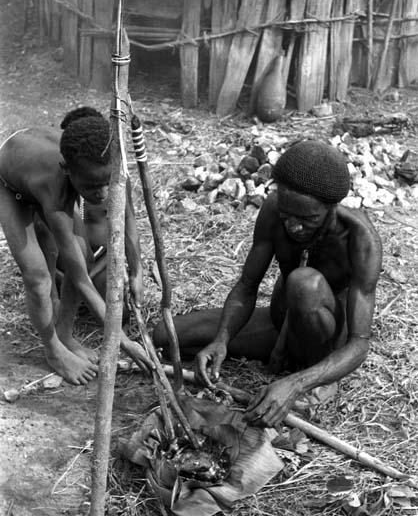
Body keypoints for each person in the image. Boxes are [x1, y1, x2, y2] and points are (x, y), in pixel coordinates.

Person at [153, 139, 382, 427]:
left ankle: (314, 376)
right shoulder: (274, 210)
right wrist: (221, 339)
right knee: (165, 336)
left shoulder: (361, 239)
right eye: (288, 215)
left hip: (325, 344)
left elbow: (359, 344)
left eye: (307, 218)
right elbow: (247, 286)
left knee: (303, 283)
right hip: (279, 325)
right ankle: (279, 356)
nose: (294, 226)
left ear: (331, 208)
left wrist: (296, 384)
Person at [0, 106, 148, 385]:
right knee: (37, 276)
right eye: (93, 187)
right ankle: (54, 349)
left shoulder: (110, 164)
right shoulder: (55, 190)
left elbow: (128, 218)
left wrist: (137, 270)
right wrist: (122, 341)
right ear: (68, 171)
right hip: (7, 183)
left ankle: (65, 333)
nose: (103, 194)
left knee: (84, 255)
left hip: (36, 161)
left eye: (106, 183)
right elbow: (79, 279)